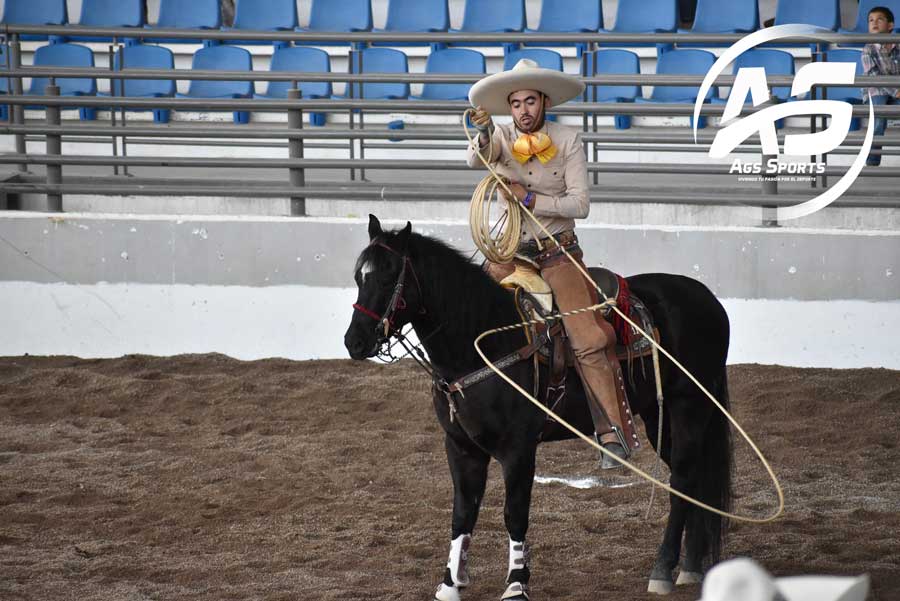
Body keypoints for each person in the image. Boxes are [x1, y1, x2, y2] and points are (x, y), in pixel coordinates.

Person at [465, 59, 638, 469]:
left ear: (544, 102)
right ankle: (474, 411)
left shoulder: (568, 139)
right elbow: (475, 160)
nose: (524, 110)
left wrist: (530, 200)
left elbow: (581, 205)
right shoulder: (499, 136)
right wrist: (485, 132)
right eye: (517, 103)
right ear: (509, 108)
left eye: (531, 101)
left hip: (558, 253)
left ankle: (611, 433)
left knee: (586, 336)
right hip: (511, 253)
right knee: (474, 317)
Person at [861, 6, 900, 167]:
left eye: (879, 19)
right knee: (878, 117)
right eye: (871, 20)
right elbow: (874, 77)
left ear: (890, 25)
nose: (874, 23)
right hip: (876, 91)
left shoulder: (898, 44)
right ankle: (872, 161)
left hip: (896, 92)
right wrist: (897, 91)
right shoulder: (868, 48)